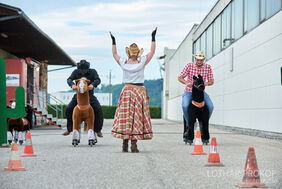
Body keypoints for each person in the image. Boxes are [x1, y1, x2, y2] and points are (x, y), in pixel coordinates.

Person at [109, 27, 157, 153]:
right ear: (137, 53)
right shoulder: (141, 62)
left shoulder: (124, 62)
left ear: (128, 53)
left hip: (128, 91)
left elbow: (114, 54)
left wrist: (113, 41)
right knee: (136, 117)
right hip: (137, 91)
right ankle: (132, 144)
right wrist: (153, 37)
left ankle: (126, 143)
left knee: (126, 117)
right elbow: (152, 51)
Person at [178, 51, 214, 142]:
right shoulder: (189, 66)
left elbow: (211, 81)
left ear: (204, 59)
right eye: (198, 59)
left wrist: (204, 83)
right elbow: (180, 77)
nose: (199, 61)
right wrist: (187, 83)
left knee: (210, 106)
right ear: (195, 59)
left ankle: (202, 123)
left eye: (201, 60)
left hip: (201, 92)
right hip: (189, 91)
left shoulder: (208, 67)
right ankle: (189, 125)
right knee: (185, 105)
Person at [62, 60, 104, 138]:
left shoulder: (93, 72)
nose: (83, 73)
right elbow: (69, 79)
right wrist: (72, 85)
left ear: (88, 69)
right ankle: (70, 129)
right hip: (78, 96)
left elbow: (98, 79)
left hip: (90, 95)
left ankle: (98, 130)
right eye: (81, 71)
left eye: (84, 71)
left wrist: (93, 85)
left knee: (98, 109)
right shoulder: (75, 72)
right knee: (69, 108)